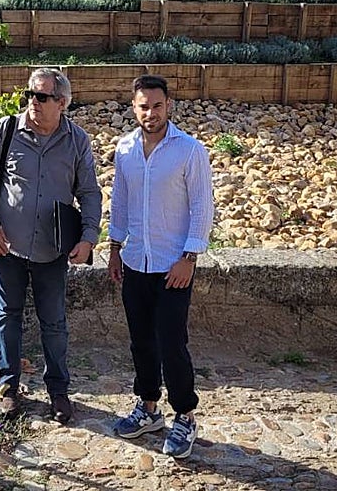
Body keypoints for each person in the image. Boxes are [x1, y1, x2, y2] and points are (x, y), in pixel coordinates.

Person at [0, 68, 102, 424]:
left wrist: (89, 237)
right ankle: (8, 389)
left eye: (41, 97)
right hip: (7, 247)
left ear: (62, 103)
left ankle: (58, 392)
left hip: (52, 250)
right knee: (7, 317)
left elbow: (89, 192)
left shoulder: (77, 141)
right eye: (29, 94)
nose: (33, 102)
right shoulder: (6, 130)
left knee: (54, 323)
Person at [108, 74, 214, 459]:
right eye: (143, 106)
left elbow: (202, 207)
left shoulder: (189, 150)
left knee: (172, 344)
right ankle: (148, 407)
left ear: (169, 105)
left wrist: (190, 257)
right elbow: (120, 202)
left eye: (157, 105)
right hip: (135, 261)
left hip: (174, 265)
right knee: (141, 342)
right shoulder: (125, 149)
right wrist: (115, 248)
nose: (150, 113)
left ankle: (184, 414)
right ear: (133, 108)